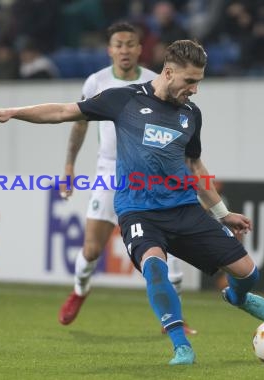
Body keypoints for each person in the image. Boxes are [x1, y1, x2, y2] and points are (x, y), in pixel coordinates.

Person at [0, 39, 264, 366]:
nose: (194, 89)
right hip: (139, 211)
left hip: (183, 209)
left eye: (198, 82)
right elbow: (64, 111)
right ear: (168, 72)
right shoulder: (124, 99)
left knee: (249, 273)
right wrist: (13, 112)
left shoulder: (191, 114)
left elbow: (195, 167)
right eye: (189, 81)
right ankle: (181, 346)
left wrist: (222, 213)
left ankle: (236, 296)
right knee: (155, 267)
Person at [57, 21, 196, 336]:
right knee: (92, 249)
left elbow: (178, 124)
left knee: (169, 243)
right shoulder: (96, 82)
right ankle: (80, 290)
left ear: (139, 48)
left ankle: (176, 318)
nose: (124, 49)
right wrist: (69, 165)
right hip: (110, 169)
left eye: (131, 44)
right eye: (118, 44)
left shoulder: (155, 80)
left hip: (151, 173)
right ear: (110, 49)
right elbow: (78, 123)